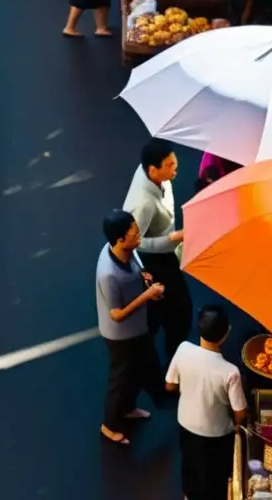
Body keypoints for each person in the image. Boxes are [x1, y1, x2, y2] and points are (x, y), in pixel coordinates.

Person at [97, 209, 166, 446]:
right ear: (120, 239)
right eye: (135, 234)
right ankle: (109, 425)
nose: (139, 237)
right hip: (120, 336)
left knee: (137, 370)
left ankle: (127, 408)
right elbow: (116, 314)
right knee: (121, 378)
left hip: (138, 328)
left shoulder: (128, 251)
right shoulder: (108, 274)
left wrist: (145, 280)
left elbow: (138, 271)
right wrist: (147, 295)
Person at [166, 305, 247, 500]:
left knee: (189, 464)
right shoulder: (230, 372)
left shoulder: (183, 349)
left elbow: (170, 385)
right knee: (214, 475)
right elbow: (241, 412)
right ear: (226, 333)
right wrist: (237, 426)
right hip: (217, 433)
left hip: (186, 423)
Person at [123, 138, 192, 365]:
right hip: (154, 259)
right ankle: (173, 360)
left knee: (157, 310)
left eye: (175, 163)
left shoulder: (155, 175)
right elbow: (136, 243)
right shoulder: (143, 204)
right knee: (180, 310)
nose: (175, 169)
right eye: (170, 166)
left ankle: (144, 344)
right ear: (153, 170)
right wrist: (171, 239)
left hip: (165, 245)